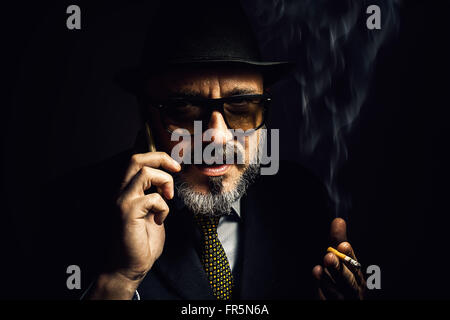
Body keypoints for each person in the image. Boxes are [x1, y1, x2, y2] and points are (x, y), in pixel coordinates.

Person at [75, 0, 365, 300]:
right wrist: (120, 279)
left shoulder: (300, 199)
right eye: (184, 109)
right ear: (146, 118)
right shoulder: (76, 208)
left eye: (240, 107)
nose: (218, 137)